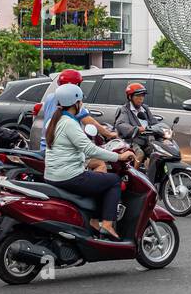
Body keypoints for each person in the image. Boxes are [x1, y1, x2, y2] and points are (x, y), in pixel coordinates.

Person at [44, 83, 137, 238]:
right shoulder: (69, 123)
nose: (82, 104)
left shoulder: (56, 121)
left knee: (100, 179)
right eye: (81, 101)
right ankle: (106, 224)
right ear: (76, 103)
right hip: (68, 176)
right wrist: (119, 156)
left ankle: (94, 220)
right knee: (113, 180)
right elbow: (90, 149)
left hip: (53, 175)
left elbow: (74, 150)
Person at [38, 69, 116, 148]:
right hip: (61, 150)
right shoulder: (71, 102)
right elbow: (88, 121)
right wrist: (109, 134)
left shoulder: (50, 97)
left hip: (47, 146)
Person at [114, 82, 156, 163]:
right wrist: (136, 129)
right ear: (130, 97)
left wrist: (162, 128)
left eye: (143, 96)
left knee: (158, 152)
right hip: (130, 141)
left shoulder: (145, 109)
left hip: (145, 140)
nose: (141, 98)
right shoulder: (124, 110)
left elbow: (153, 121)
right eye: (138, 96)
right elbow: (121, 124)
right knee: (139, 154)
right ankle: (134, 174)